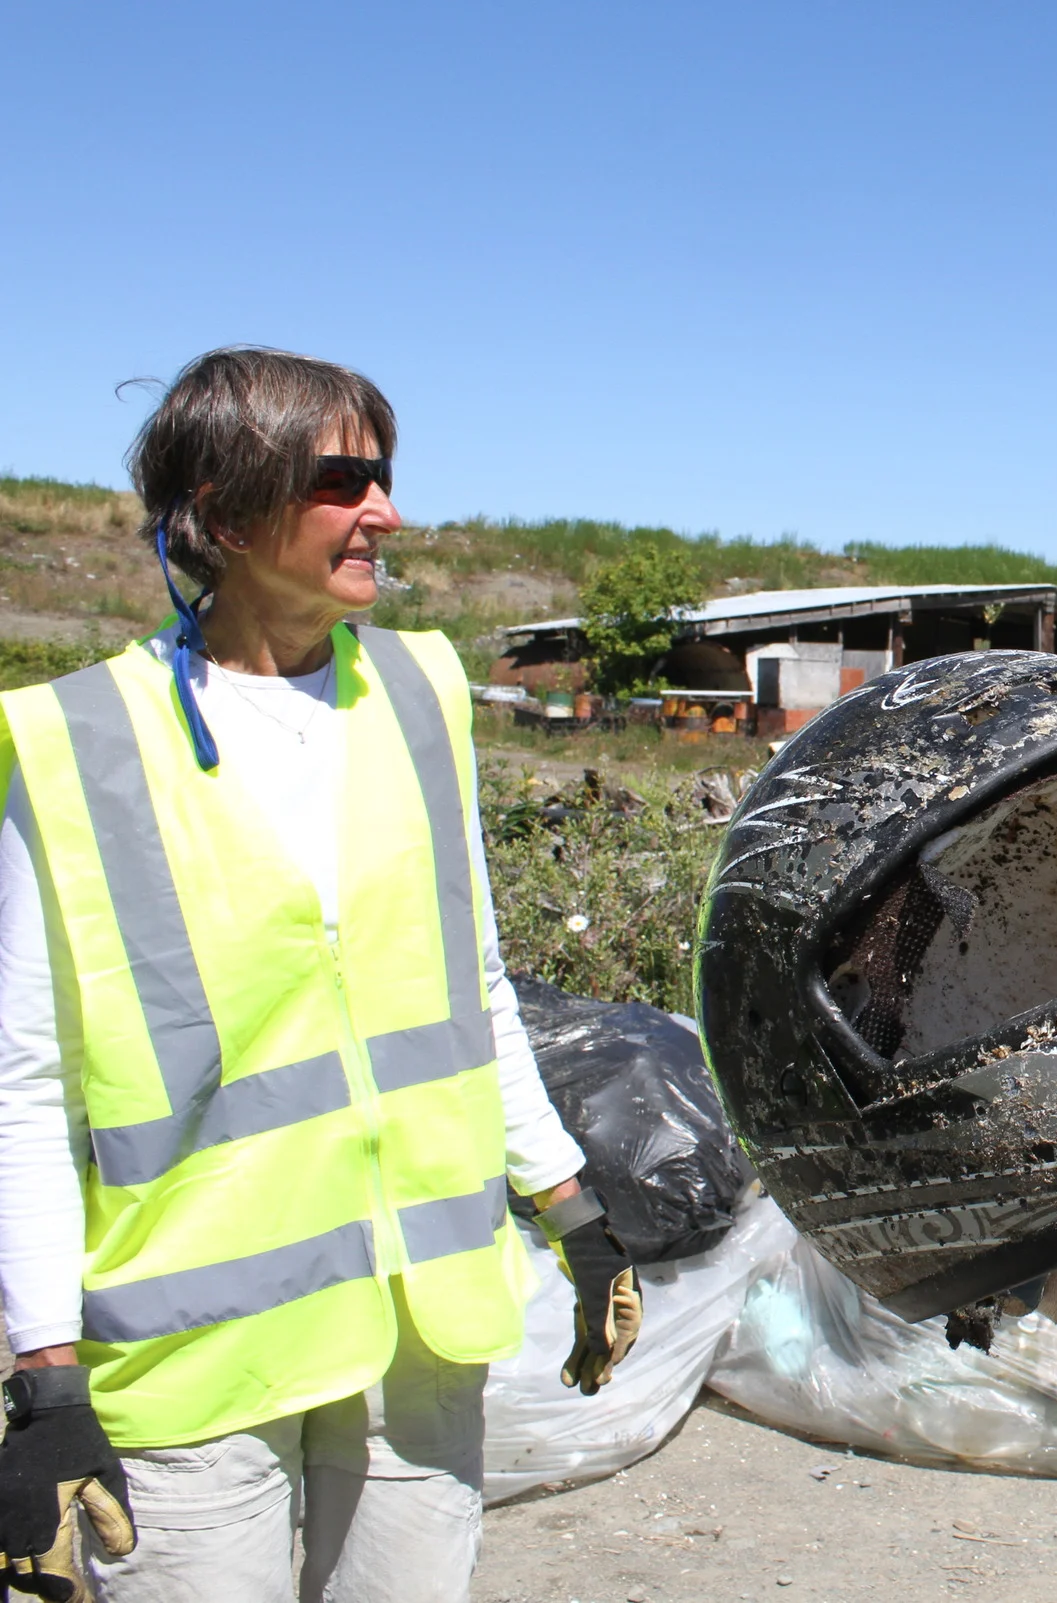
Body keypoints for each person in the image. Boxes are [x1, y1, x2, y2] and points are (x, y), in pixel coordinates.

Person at [0, 348, 643, 1602]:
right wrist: (44, 1381)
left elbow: (479, 984)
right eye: (342, 479)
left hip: (418, 1320)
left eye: (383, 475)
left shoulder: (420, 692)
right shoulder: (73, 742)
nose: (385, 512)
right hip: (197, 1350)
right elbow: (20, 1082)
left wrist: (573, 1209)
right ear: (226, 514)